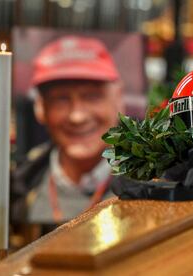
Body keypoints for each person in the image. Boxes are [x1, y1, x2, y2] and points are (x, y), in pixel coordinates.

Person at [12, 36, 123, 231]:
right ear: (40, 107)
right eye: (61, 99)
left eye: (92, 96)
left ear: (118, 99)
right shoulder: (18, 186)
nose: (77, 116)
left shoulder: (151, 186)